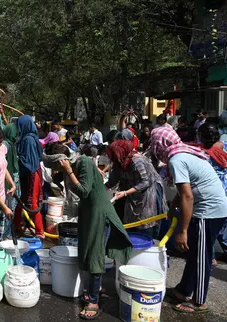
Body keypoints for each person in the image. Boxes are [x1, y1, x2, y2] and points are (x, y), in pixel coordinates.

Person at [42, 143, 131, 320]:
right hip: (88, 212)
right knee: (86, 250)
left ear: (61, 162)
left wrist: (68, 171)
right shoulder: (77, 164)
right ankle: (95, 287)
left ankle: (94, 301)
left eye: (55, 167)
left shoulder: (83, 163)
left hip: (99, 212)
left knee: (94, 254)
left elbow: (84, 191)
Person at [149, 126, 227, 313]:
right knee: (194, 254)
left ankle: (199, 301)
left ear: (161, 144)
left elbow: (187, 196)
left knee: (201, 257)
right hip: (208, 209)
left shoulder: (176, 159)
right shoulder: (183, 153)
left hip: (208, 212)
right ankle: (182, 290)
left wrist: (182, 231)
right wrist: (173, 206)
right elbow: (188, 188)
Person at [197, 123, 227, 265]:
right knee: (225, 219)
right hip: (225, 187)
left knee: (210, 220)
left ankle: (212, 257)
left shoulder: (201, 151)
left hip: (209, 188)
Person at [106, 141, 166, 239]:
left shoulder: (136, 161)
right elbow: (112, 181)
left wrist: (125, 193)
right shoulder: (120, 162)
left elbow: (145, 182)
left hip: (148, 192)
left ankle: (147, 240)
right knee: (130, 218)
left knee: (145, 217)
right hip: (132, 191)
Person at [13, 115, 44, 237]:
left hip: (31, 174)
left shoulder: (28, 140)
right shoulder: (29, 137)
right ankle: (16, 226)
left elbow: (28, 162)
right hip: (29, 173)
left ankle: (40, 232)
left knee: (32, 203)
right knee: (21, 201)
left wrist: (17, 160)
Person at [3, 123, 20, 217]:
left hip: (11, 179)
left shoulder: (11, 144)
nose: (16, 136)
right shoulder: (5, 144)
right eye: (14, 134)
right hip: (7, 181)